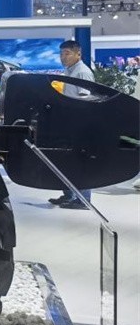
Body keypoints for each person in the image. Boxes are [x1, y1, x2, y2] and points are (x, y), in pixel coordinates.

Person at [49, 40, 96, 210]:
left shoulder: (82, 72)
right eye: (61, 54)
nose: (63, 57)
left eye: (67, 53)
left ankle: (83, 200)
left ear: (78, 54)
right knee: (66, 160)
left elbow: (86, 101)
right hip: (68, 123)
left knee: (79, 161)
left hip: (79, 125)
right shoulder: (69, 71)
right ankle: (69, 195)